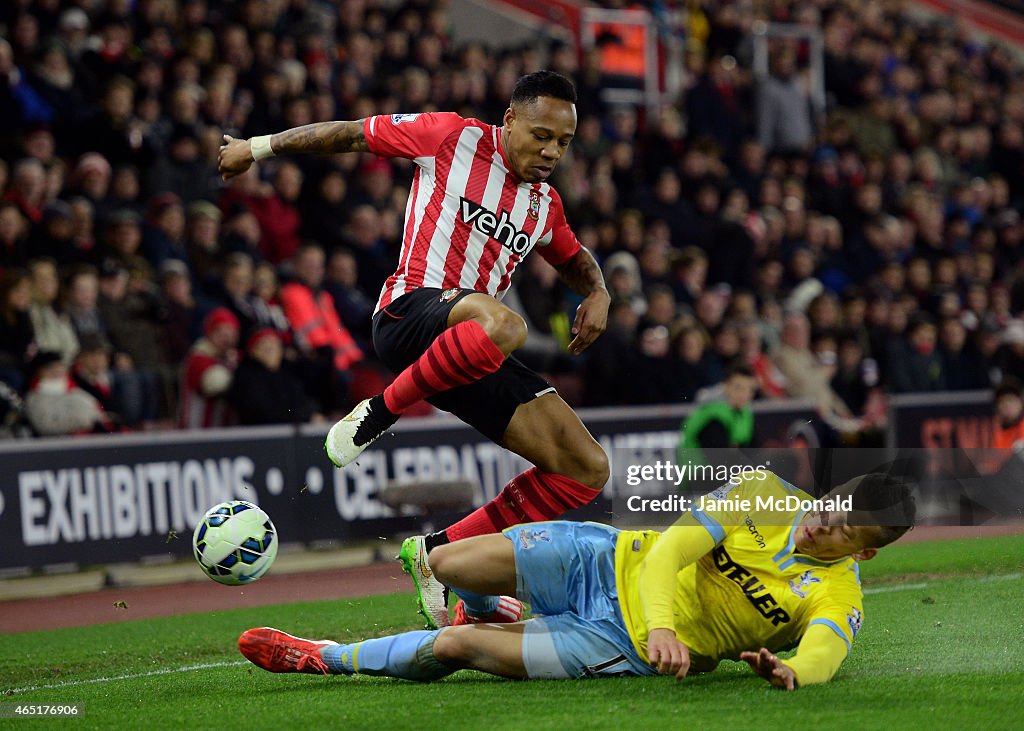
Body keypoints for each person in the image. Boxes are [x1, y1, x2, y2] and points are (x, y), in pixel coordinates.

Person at [219, 71, 611, 629]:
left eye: (564, 143)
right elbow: (352, 134)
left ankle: (436, 554)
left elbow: (573, 257)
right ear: (510, 121)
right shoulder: (449, 136)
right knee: (506, 324)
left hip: (467, 351)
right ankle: (378, 413)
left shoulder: (544, 204)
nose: (551, 151)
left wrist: (598, 290)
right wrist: (255, 148)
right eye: (541, 135)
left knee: (586, 468)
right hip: (408, 313)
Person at [238, 469, 916, 690]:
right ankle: (489, 605)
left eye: (845, 530)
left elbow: (828, 645)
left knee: (454, 649)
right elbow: (666, 554)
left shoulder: (839, 593)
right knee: (447, 561)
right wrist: (663, 623)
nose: (824, 524)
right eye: (832, 506)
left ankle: (320, 656)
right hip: (606, 558)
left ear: (866, 553)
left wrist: (796, 671)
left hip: (615, 641)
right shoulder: (764, 490)